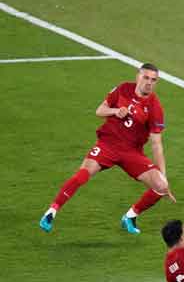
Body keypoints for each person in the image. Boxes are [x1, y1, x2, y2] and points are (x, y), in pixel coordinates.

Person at [39, 63, 175, 235]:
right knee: (82, 174)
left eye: (153, 80)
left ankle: (130, 217)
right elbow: (100, 110)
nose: (149, 82)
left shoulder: (155, 107)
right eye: (146, 77)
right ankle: (51, 212)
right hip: (108, 145)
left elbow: (156, 143)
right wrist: (115, 111)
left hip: (131, 152)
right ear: (138, 76)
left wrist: (163, 175)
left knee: (161, 186)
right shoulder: (123, 89)